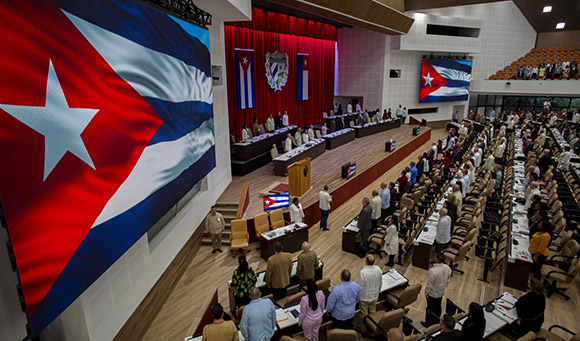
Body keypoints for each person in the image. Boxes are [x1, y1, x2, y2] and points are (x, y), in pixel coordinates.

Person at [422, 252, 451, 327]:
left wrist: (426, 293)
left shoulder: (433, 271)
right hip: (441, 291)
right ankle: (437, 320)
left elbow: (430, 284)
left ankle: (428, 323)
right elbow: (448, 280)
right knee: (438, 306)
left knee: (430, 309)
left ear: (436, 259)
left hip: (433, 293)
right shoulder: (447, 268)